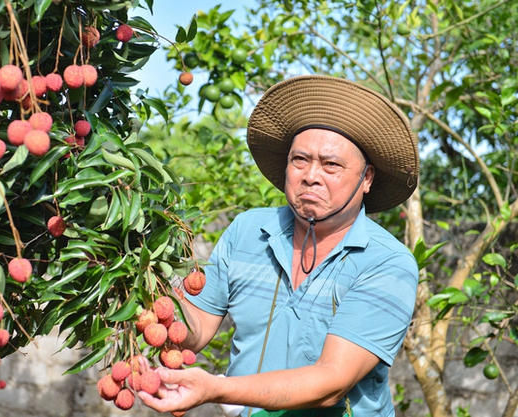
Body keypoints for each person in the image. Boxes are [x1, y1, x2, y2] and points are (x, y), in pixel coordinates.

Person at [139, 75, 420, 417]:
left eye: (331, 164)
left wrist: (216, 388)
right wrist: (143, 285)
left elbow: (331, 382)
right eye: (300, 160)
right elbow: (196, 328)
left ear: (368, 179)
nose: (311, 175)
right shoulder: (247, 230)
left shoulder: (388, 264)